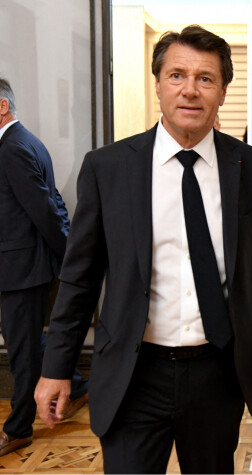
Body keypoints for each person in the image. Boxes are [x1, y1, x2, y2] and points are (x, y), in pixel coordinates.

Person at [34, 25, 252, 474]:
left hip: (218, 371)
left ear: (223, 92)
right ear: (158, 85)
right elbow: (81, 277)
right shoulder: (108, 167)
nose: (190, 90)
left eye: (205, 78)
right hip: (134, 373)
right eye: (177, 75)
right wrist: (56, 367)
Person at [0, 78, 88, 457]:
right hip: (22, 266)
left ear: (2, 107)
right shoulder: (24, 142)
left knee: (21, 353)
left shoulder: (13, 148)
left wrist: (69, 258)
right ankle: (79, 385)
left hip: (22, 269)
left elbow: (45, 209)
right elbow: (51, 202)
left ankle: (18, 428)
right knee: (27, 341)